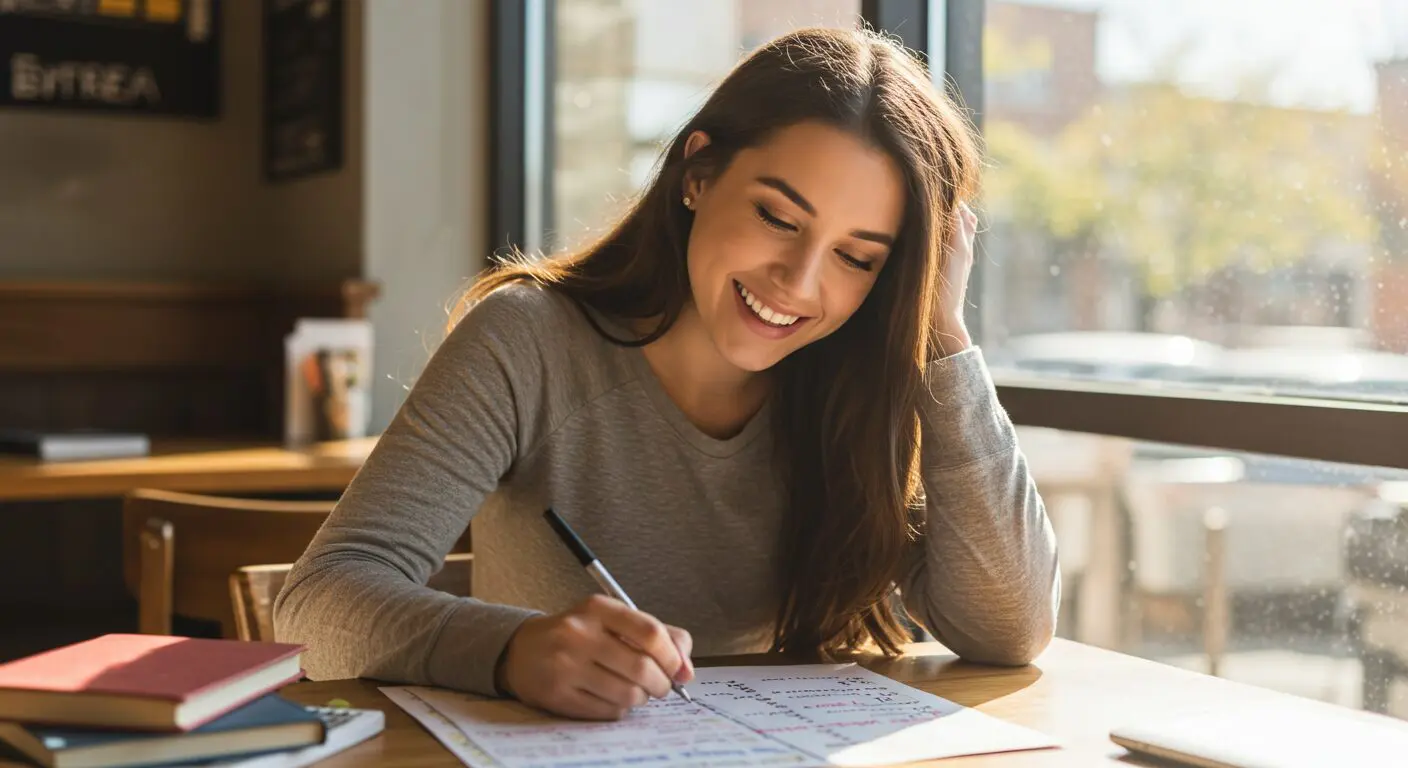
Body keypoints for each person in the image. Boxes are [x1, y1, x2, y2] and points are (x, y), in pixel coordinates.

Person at [274, 26, 1060, 722]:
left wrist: (943, 340)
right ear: (699, 174)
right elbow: (315, 605)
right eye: (778, 218)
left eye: (857, 258)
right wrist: (513, 650)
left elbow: (1010, 629)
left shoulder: (858, 387)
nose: (799, 280)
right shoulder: (528, 340)